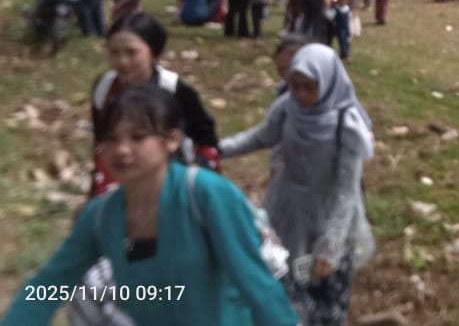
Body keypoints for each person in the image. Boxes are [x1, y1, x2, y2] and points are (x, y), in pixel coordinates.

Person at [2, 83, 298, 326]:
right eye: (111, 139)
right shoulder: (101, 216)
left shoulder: (206, 195)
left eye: (138, 137)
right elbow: (49, 285)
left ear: (171, 140)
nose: (121, 150)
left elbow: (256, 285)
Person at [220, 44, 374, 326]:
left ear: (328, 82)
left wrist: (330, 245)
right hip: (288, 211)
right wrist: (217, 149)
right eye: (295, 85)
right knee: (287, 287)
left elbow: (346, 190)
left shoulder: (345, 123)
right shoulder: (287, 108)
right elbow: (259, 137)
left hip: (328, 217)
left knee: (328, 296)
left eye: (309, 87)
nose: (301, 95)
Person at [91, 13, 221, 196]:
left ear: (153, 52)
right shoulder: (104, 88)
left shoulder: (173, 89)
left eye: (131, 53)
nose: (122, 62)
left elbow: (206, 139)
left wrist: (200, 177)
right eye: (114, 53)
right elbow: (100, 142)